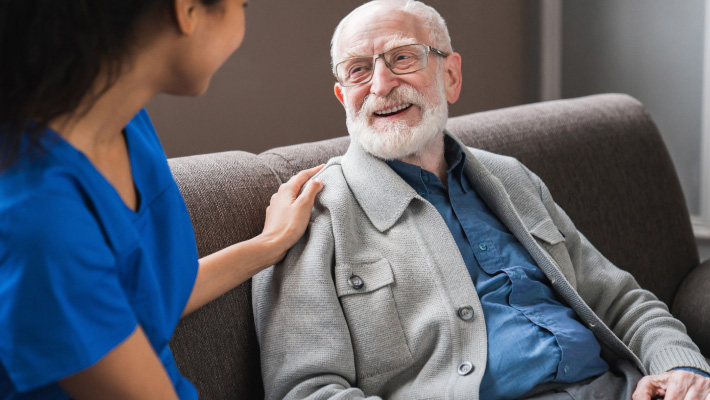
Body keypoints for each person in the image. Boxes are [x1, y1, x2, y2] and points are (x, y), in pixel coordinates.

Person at [252, 1, 710, 399]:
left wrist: (682, 365)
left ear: (450, 76)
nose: (380, 84)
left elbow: (619, 300)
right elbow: (306, 390)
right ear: (342, 96)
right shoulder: (312, 215)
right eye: (358, 70)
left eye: (403, 58)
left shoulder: (511, 177)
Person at [0, 0, 325, 398]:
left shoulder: (125, 122)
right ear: (187, 9)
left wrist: (269, 245)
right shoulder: (38, 217)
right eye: (241, 4)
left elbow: (139, 298)